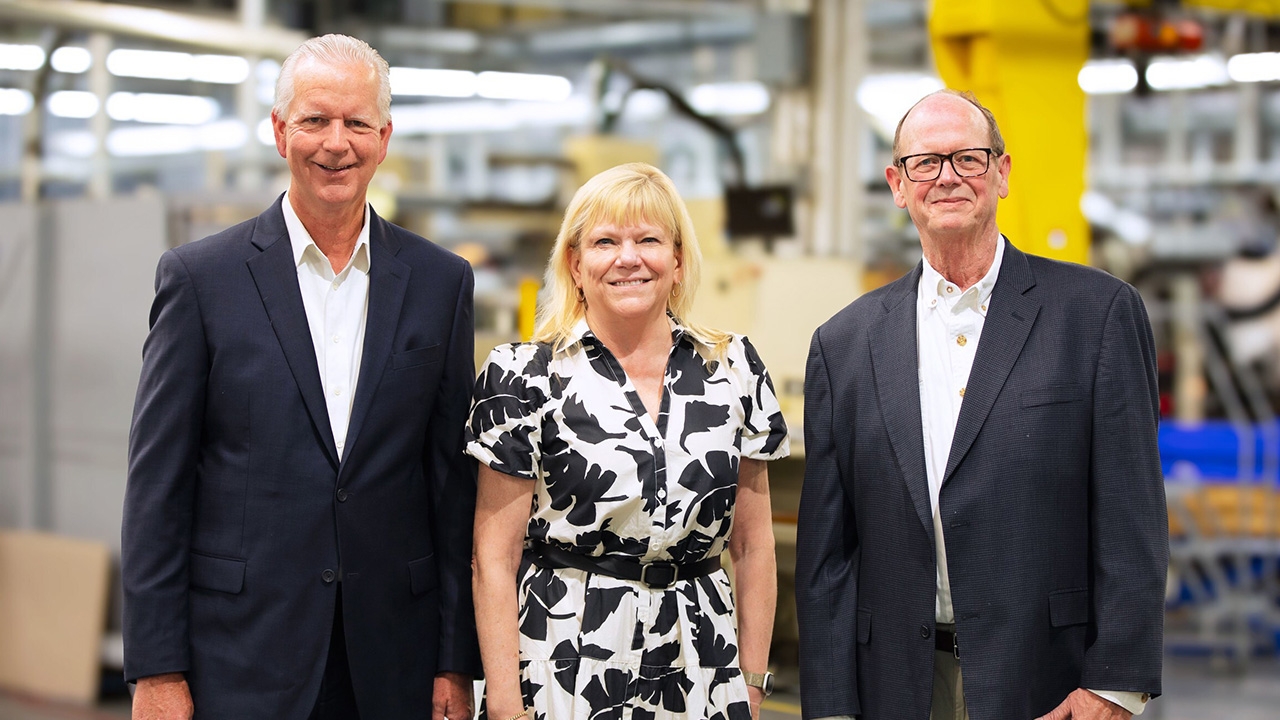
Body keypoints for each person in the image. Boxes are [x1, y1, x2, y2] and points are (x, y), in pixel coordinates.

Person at [121, 34, 479, 719]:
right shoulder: (201, 279)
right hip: (241, 654)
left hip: (393, 659)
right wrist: (157, 670)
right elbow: (157, 488)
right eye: (315, 120)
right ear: (280, 131)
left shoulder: (440, 282)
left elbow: (449, 484)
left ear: (384, 138)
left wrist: (453, 660)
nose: (336, 144)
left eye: (357, 123)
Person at [795, 90, 1167, 720]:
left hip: (1048, 681)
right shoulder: (844, 343)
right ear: (898, 185)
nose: (947, 177)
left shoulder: (1096, 314)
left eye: (967, 158)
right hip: (896, 685)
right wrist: (831, 705)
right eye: (925, 163)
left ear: (1002, 173)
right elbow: (827, 552)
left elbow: (1132, 511)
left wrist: (1115, 684)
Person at [468, 162, 789, 720]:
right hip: (566, 654)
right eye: (605, 242)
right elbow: (493, 558)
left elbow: (753, 545)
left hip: (702, 660)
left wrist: (752, 682)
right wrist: (504, 703)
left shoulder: (733, 367)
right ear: (575, 263)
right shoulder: (524, 376)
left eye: (648, 240)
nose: (628, 258)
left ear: (678, 259)